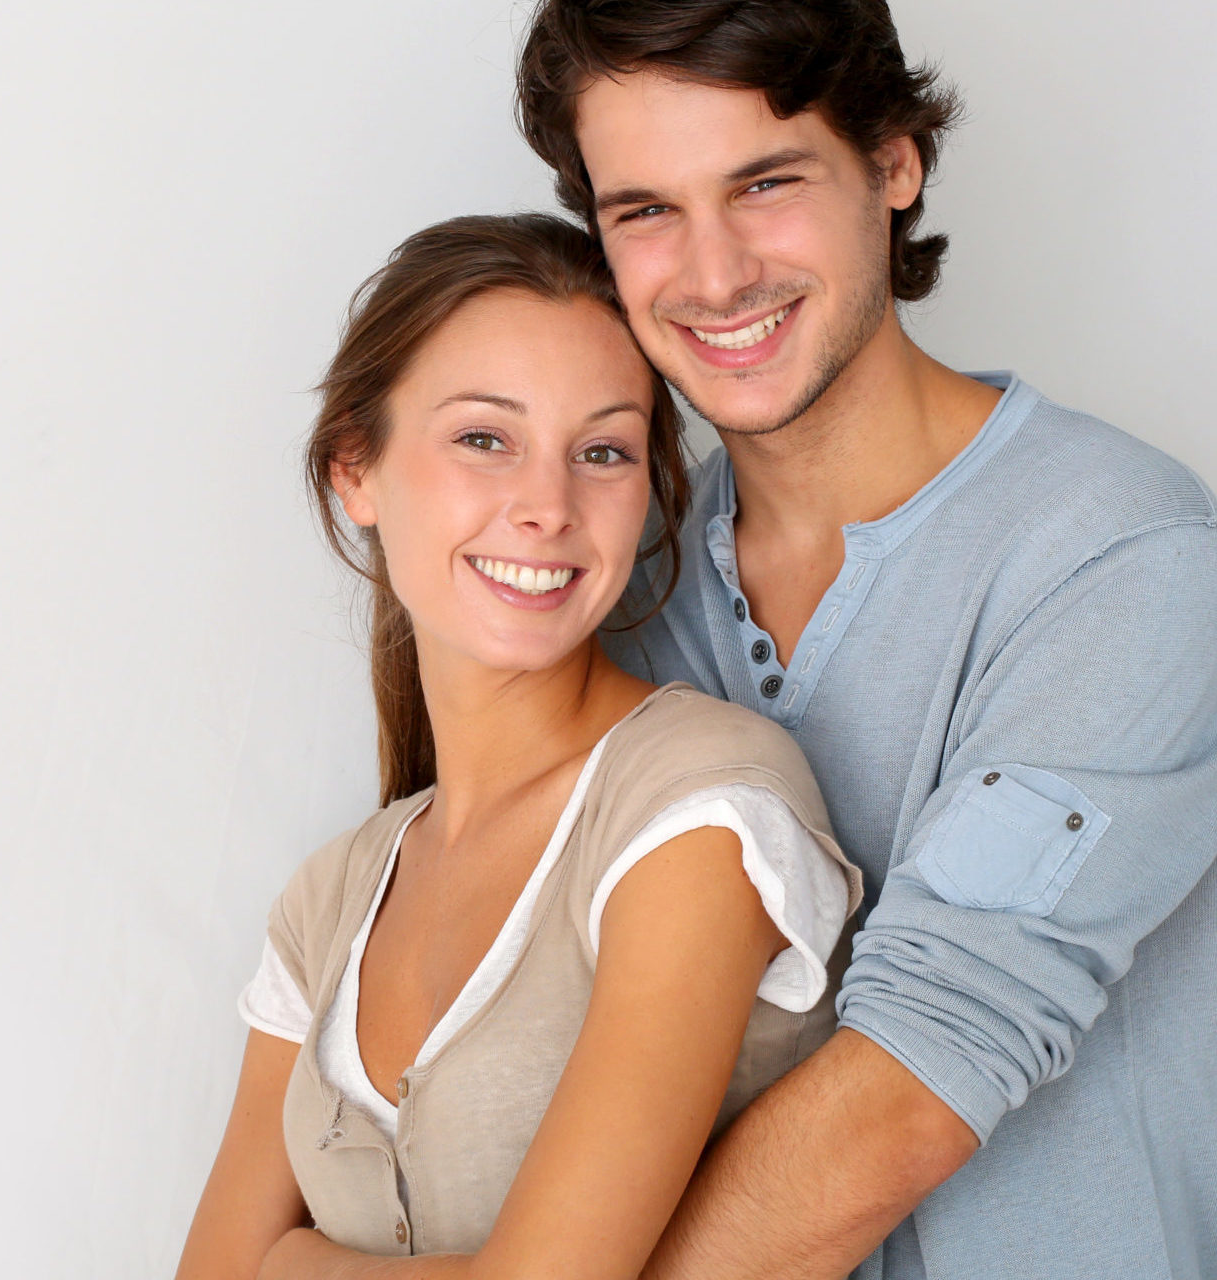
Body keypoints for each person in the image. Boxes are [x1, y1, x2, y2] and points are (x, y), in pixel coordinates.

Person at [513, 3, 1217, 1279]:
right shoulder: (613, 584)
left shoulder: (1118, 551)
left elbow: (910, 1086)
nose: (710, 276)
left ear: (893, 160)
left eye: (763, 182)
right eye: (644, 208)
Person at [174, 214, 864, 1280]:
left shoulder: (701, 808)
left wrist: (291, 1266)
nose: (546, 506)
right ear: (355, 469)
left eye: (601, 451)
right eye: (484, 438)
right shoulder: (329, 902)